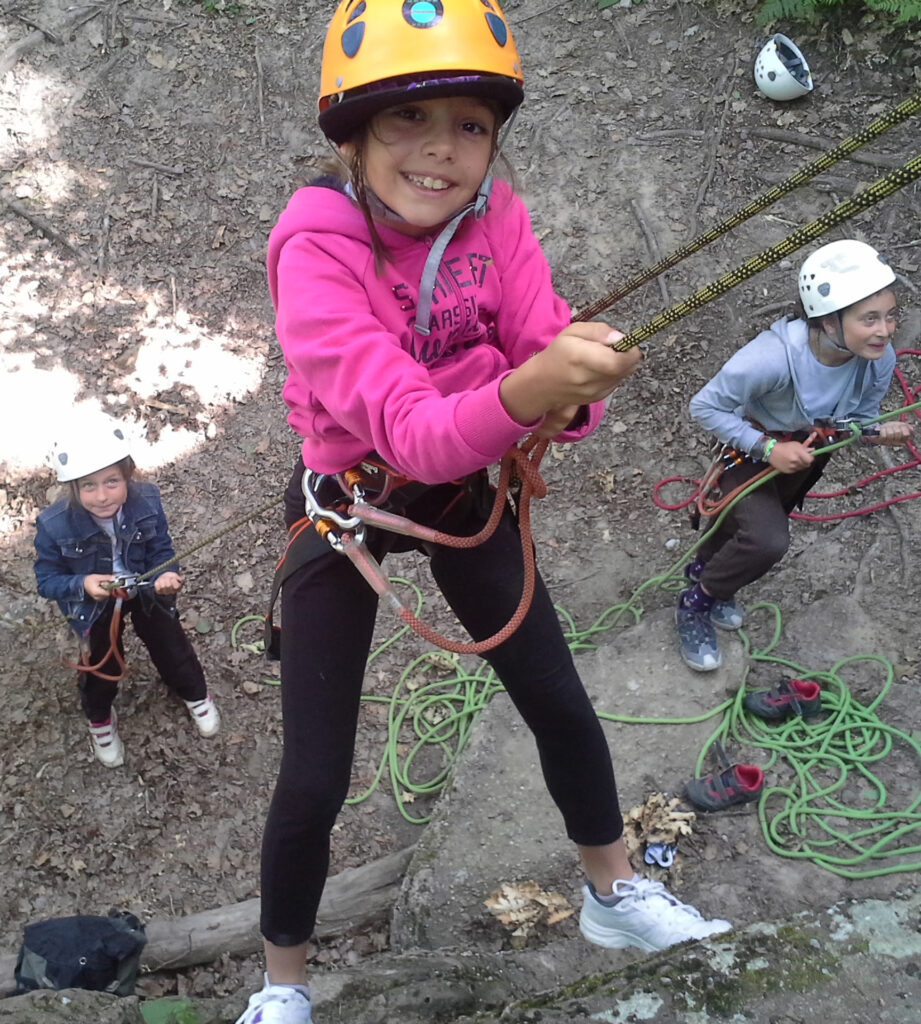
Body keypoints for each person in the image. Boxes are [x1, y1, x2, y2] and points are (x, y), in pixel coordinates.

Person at [235, 2, 730, 1022]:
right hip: (354, 498)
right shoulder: (314, 246)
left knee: (556, 695)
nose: (441, 149)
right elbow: (409, 428)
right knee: (316, 773)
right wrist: (530, 388)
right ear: (354, 135)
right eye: (408, 119)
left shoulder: (495, 214)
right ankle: (283, 984)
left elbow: (543, 342)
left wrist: (573, 388)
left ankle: (613, 891)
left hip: (470, 484)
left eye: (470, 125)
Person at [675, 239, 913, 672]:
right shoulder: (770, 360)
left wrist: (879, 433)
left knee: (744, 524)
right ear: (827, 320)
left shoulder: (877, 358)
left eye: (890, 315)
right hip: (748, 448)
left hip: (807, 452)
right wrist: (768, 448)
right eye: (870, 319)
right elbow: (705, 406)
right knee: (767, 540)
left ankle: (706, 571)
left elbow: (856, 421)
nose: (885, 330)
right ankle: (696, 602)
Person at [34, 416, 220, 767]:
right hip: (94, 602)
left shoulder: (146, 501)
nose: (102, 496)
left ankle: (194, 692)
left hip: (143, 586)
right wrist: (82, 584)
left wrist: (166, 575)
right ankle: (100, 717)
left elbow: (161, 550)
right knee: (99, 661)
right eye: (88, 486)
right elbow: (47, 580)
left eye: (112, 482)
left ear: (127, 475)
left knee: (170, 643)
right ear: (73, 487)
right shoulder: (54, 525)